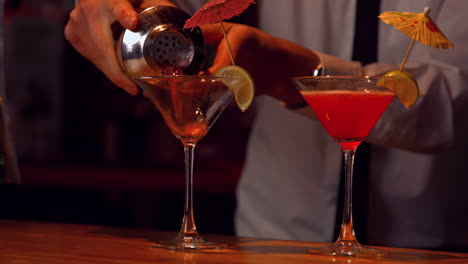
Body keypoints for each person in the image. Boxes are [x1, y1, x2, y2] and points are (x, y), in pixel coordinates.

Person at [65, 0, 468, 251]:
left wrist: (289, 71)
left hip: (429, 245)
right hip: (273, 239)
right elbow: (182, 11)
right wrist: (122, 8)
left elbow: (454, 97)